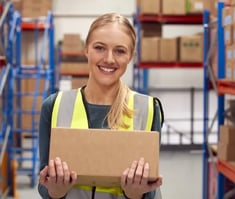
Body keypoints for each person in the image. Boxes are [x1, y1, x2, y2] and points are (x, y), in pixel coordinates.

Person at [38, 13, 164, 199]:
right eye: (99, 48)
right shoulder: (54, 105)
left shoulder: (149, 109)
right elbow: (43, 184)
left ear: (131, 56)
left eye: (120, 51)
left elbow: (151, 190)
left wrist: (135, 194)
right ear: (86, 49)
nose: (109, 59)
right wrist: (55, 191)